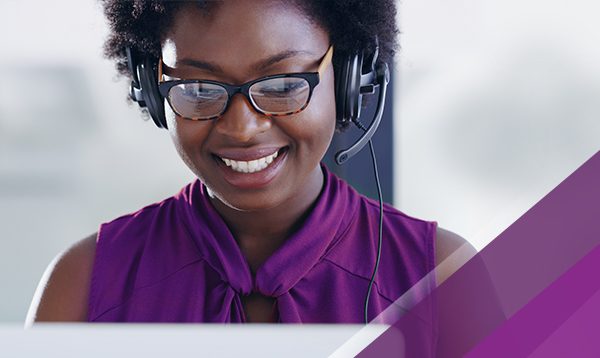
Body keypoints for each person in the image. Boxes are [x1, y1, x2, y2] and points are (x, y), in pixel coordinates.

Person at [26, 0, 475, 330]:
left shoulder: (445, 276)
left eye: (282, 84)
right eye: (199, 89)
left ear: (350, 77)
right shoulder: (83, 284)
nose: (241, 129)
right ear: (152, 89)